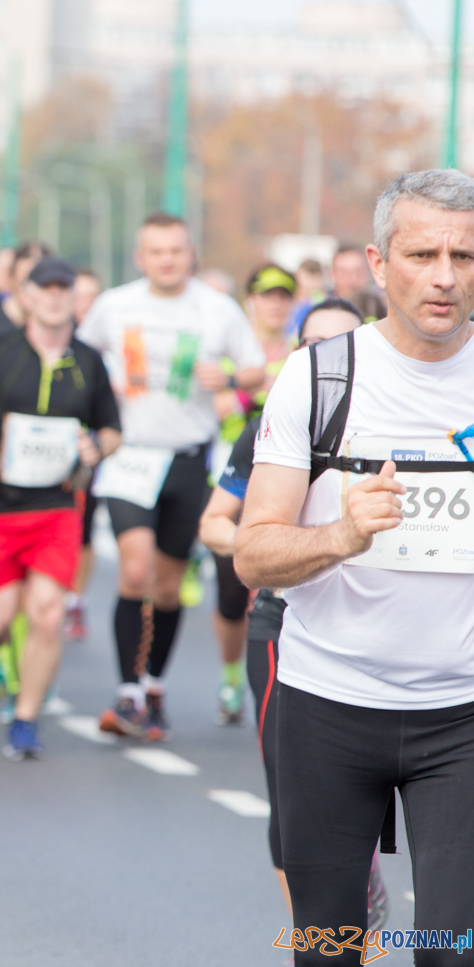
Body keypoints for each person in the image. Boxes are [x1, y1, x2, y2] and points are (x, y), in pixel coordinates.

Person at [236, 170, 474, 966]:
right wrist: (340, 533)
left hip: (462, 715)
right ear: (378, 263)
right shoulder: (318, 376)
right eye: (424, 253)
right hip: (329, 706)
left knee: (451, 950)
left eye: (466, 255)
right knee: (330, 952)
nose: (446, 276)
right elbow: (252, 551)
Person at [196, 298, 388, 930]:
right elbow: (217, 526)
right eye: (312, 343)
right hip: (285, 623)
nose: (326, 357)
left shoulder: (411, 418)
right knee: (293, 803)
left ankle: (362, 871)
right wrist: (283, 542)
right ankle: (327, 927)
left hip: (392, 634)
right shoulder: (278, 420)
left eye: (341, 341)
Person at [78, 212, 266, 741]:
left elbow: (254, 368)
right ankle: (127, 692)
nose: (166, 259)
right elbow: (83, 360)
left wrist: (228, 377)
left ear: (191, 256)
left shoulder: (216, 309)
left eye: (176, 251)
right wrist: (99, 399)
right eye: (156, 251)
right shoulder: (115, 305)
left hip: (187, 459)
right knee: (134, 572)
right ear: (141, 258)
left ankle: (154, 684)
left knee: (166, 585)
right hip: (130, 456)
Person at [0, 259, 122, 758]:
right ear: (25, 294)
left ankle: (25, 718)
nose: (54, 297)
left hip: (57, 507)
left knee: (47, 615)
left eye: (63, 289)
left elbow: (111, 429)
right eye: (44, 289)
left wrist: (97, 448)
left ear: (74, 298)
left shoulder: (88, 361)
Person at [209, 264, 295, 725]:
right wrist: (250, 389)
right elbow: (222, 404)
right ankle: (228, 672)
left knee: (276, 583)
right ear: (251, 302)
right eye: (266, 296)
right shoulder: (232, 354)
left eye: (283, 296)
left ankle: (278, 672)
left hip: (284, 475)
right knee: (230, 590)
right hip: (235, 472)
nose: (275, 304)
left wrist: (256, 388)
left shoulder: (304, 353)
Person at [66, 267, 106, 639]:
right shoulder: (57, 338)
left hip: (91, 448)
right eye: (79, 296)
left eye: (93, 298)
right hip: (52, 445)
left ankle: (76, 599)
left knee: (85, 528)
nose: (85, 305)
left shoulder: (101, 346)